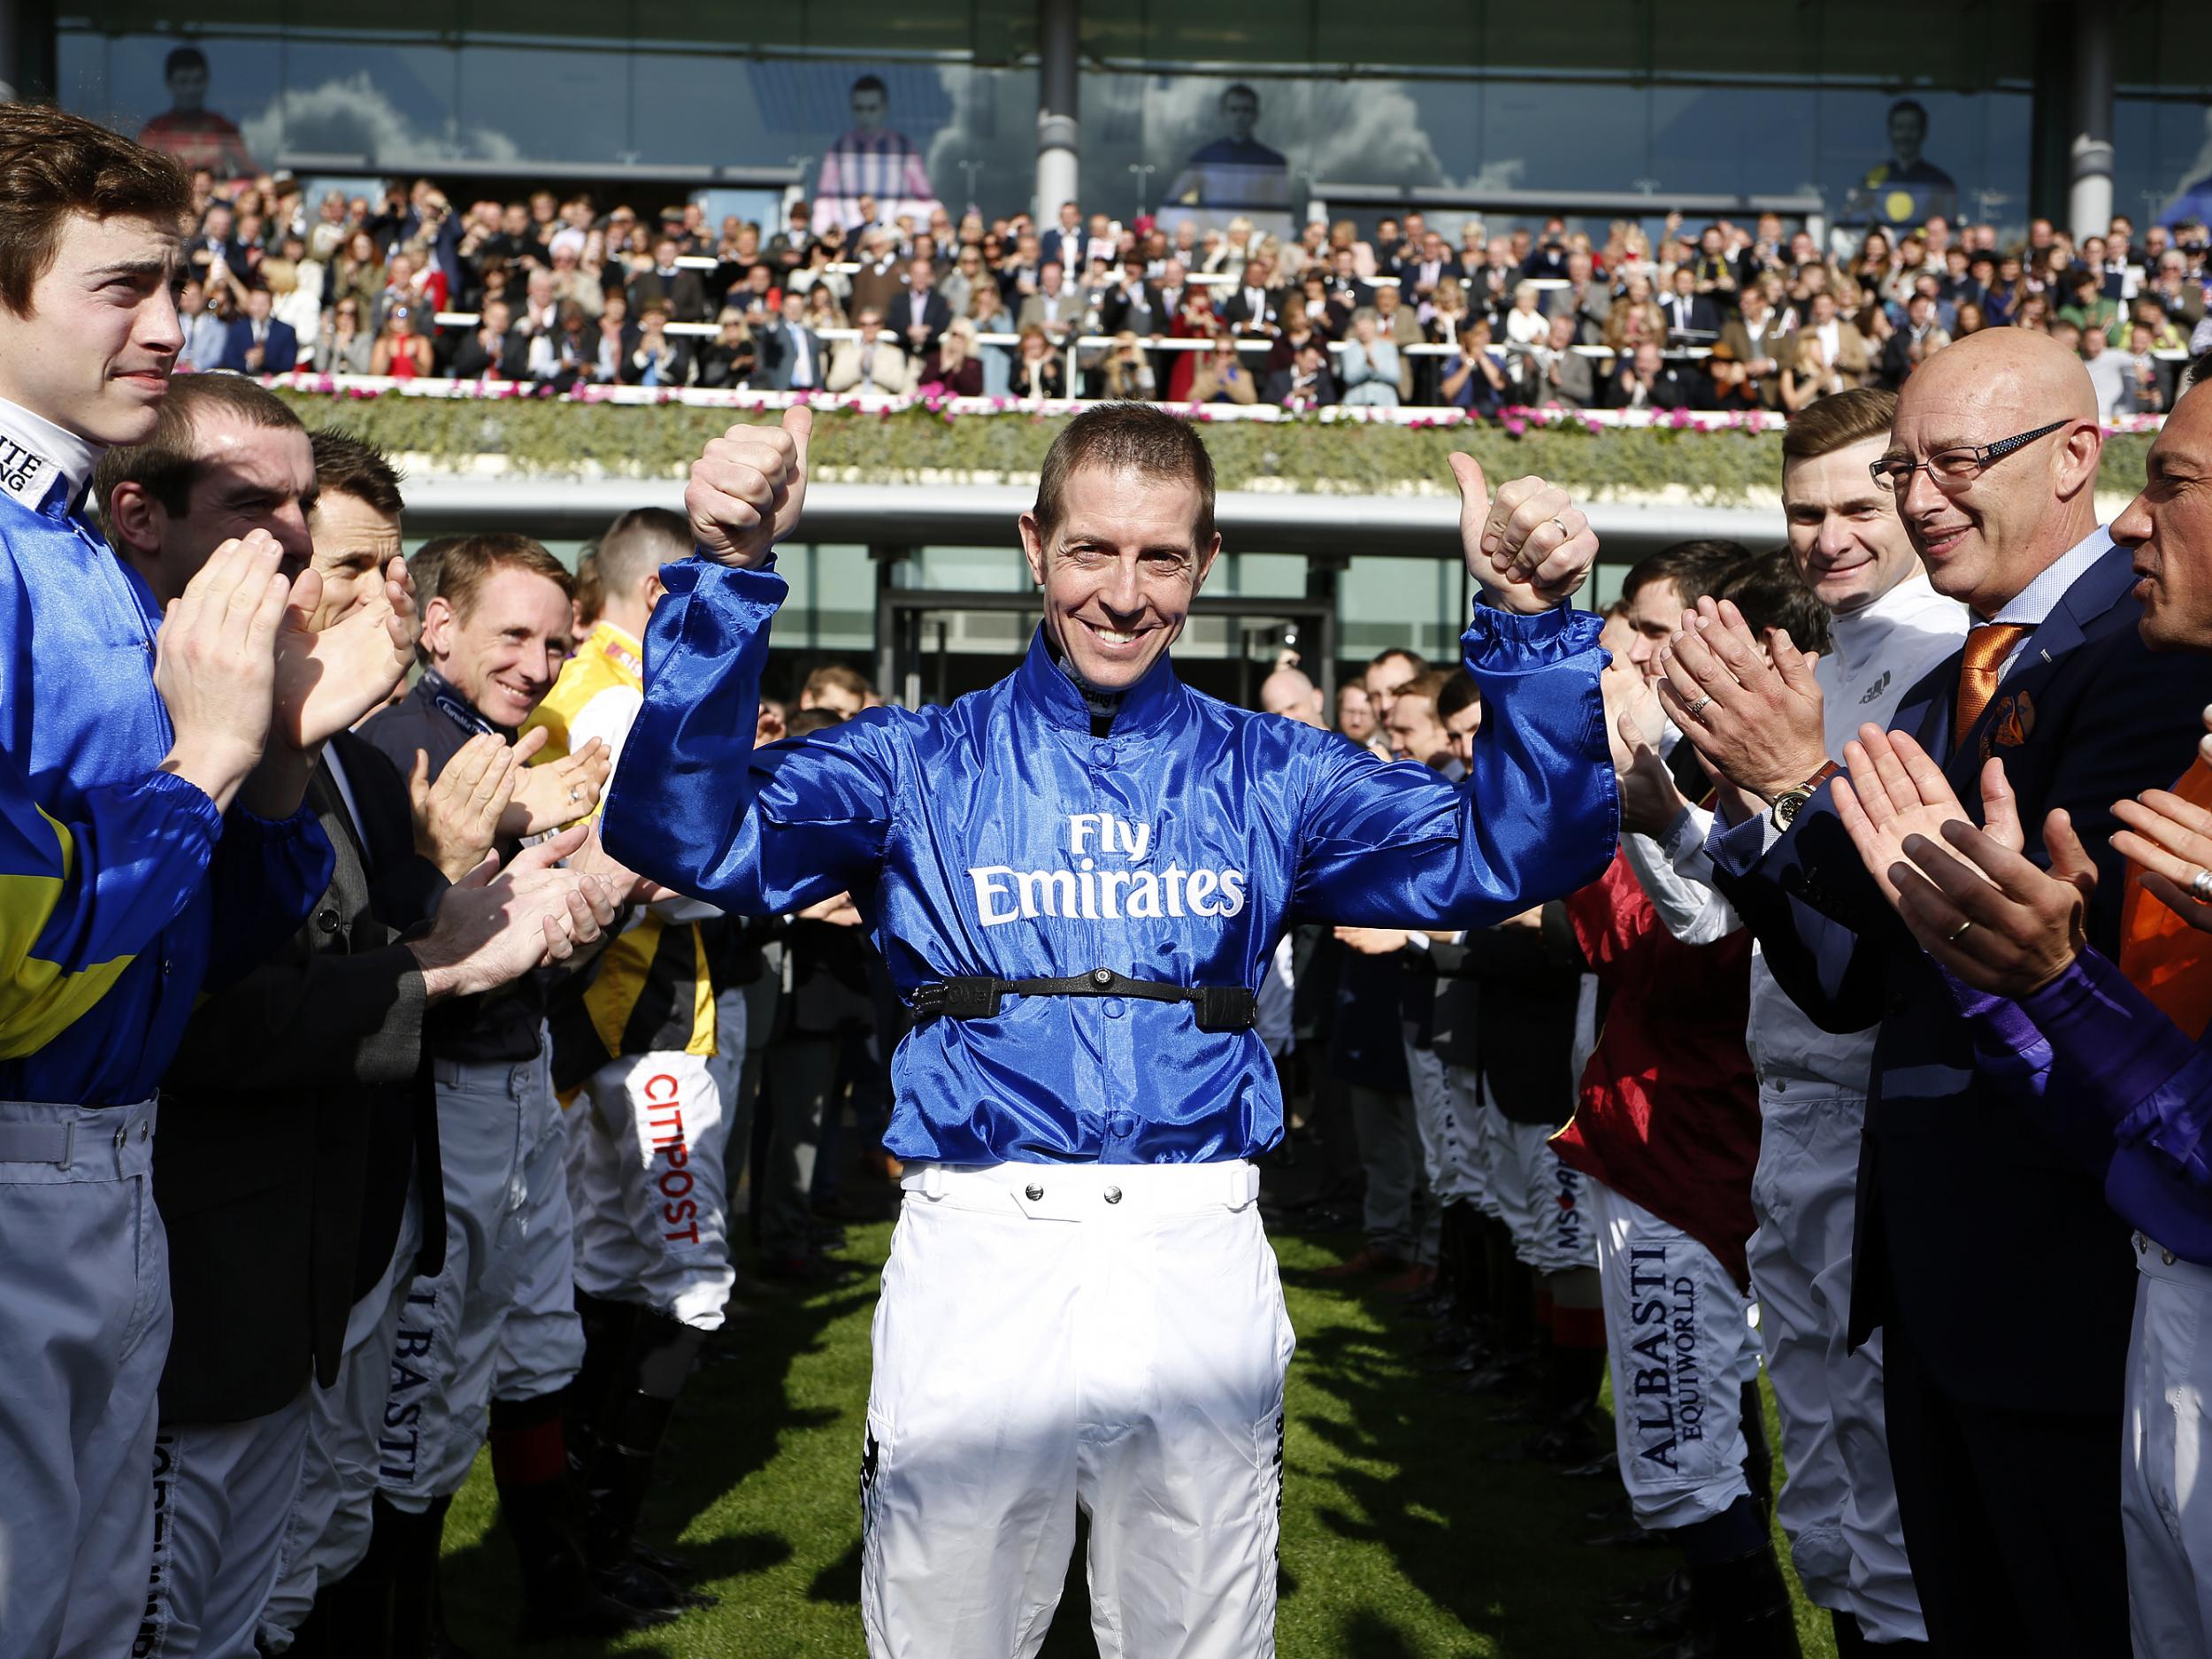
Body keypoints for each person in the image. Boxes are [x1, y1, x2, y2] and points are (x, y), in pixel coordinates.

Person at [597, 401, 1616, 1657]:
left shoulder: (1275, 770)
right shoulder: (920, 758)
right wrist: (731, 577)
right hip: (977, 1244)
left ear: (1207, 562)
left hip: (1197, 1246)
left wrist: (1531, 631)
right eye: (1091, 550)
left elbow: (1530, 846)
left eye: (1160, 558)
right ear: (1034, 544)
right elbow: (676, 833)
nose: (1123, 594)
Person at [1684, 327, 2212, 1655]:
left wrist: (1807, 785)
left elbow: (2024, 930)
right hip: (1942, 1269)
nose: (1920, 499)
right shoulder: (1965, 667)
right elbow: (1862, 977)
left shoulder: (2145, 648)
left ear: (2075, 456)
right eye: (1902, 466)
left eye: (1955, 462)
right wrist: (1764, 810)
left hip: (2066, 1270)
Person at [92, 381, 609, 1659]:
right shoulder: (182, 736)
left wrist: (469, 902)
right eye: (352, 565)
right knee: (172, 1604)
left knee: (295, 1560)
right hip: (218, 1257)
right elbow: (221, 1006)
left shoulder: (347, 754)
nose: (375, 599)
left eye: (384, 565)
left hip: (341, 1238)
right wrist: (437, 954)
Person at [0, 105, 346, 1659]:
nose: (170, 325)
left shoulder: (76, 543)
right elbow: (13, 973)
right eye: (120, 288)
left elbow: (207, 941)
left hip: (113, 1167)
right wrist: (207, 762)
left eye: (173, 282)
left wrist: (265, 762)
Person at [1606, 390, 1960, 1652]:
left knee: (1893, 1482)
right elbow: (1730, 914)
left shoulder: (1953, 657)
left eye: (1860, 505)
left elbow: (1892, 920)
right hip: (1790, 1107)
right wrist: (1664, 808)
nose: (1830, 536)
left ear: (1916, 493)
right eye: (1804, 511)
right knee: (1819, 1461)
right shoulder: (1823, 655)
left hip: (1881, 1105)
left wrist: (1775, 788)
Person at [356, 536, 659, 1647]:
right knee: (428, 1375)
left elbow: (534, 941)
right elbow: (393, 941)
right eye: (513, 637)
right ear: (438, 628)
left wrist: (604, 891)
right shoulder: (402, 744)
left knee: (537, 1345)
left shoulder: (500, 740)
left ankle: (554, 1576)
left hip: (515, 1074)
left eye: (556, 643)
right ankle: (405, 1615)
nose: (538, 664)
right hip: (440, 1095)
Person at [522, 508, 734, 1612]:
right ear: (661, 596)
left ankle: (584, 1549)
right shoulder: (623, 694)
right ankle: (597, 1538)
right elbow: (656, 863)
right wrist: (773, 874)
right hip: (639, 1031)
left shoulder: (576, 685)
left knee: (603, 1272)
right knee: (690, 1283)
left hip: (575, 1034)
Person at [815, 74, 940, 237]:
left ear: (884, 108)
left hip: (891, 236)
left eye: (872, 108)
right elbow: (824, 201)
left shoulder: (902, 147)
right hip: (850, 239)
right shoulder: (840, 148)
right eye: (860, 109)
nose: (866, 116)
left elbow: (925, 197)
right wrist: (823, 234)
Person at [138, 45, 256, 178]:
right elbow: (141, 172)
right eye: (183, 82)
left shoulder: (222, 127)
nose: (191, 90)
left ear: (206, 81)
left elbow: (251, 172)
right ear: (169, 83)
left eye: (197, 81)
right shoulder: (156, 129)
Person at [219, 284, 300, 376]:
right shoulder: (237, 328)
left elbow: (288, 364)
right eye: (254, 303)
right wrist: (249, 364)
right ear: (249, 304)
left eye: (263, 304)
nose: (258, 308)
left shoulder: (286, 331)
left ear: (271, 304)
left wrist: (264, 360)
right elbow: (228, 360)